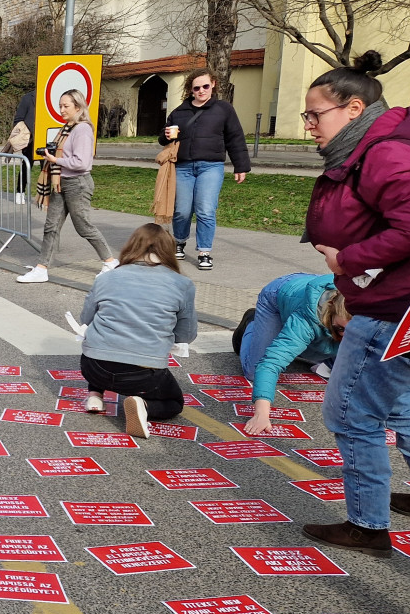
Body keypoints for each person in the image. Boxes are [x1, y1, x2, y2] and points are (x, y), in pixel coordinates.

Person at [296, 51, 410, 558]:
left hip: (390, 308)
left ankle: (367, 525)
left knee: (351, 414)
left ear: (351, 108)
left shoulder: (384, 153)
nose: (308, 128)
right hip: (397, 303)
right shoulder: (369, 147)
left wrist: (347, 259)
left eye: (314, 115)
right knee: (406, 405)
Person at [78, 223, 198, 437]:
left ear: (131, 246)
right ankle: (144, 405)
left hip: (94, 367)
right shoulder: (182, 284)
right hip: (143, 375)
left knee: (99, 339)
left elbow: (86, 319)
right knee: (175, 402)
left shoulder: (106, 277)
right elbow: (186, 335)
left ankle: (95, 395)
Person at [17, 90, 120, 283]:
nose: (61, 109)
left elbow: (82, 163)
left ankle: (110, 261)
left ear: (78, 108)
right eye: (60, 105)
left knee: (83, 226)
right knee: (51, 226)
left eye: (66, 106)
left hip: (77, 183)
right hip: (60, 182)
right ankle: (42, 268)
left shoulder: (82, 129)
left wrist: (55, 159)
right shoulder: (68, 127)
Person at [158, 69, 251, 270]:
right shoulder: (180, 112)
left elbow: (235, 137)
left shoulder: (223, 109)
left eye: (205, 86)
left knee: (206, 209)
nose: (201, 91)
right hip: (183, 167)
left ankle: (204, 252)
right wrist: (166, 135)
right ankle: (179, 241)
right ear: (191, 90)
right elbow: (162, 138)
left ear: (213, 84)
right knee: (182, 211)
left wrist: (240, 165)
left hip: (211, 166)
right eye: (196, 88)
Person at [236, 274, 346, 436]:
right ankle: (252, 323)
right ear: (331, 315)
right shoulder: (307, 321)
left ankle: (300, 343)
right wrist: (261, 414)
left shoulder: (370, 317)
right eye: (340, 329)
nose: (346, 336)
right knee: (254, 370)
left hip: (307, 293)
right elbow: (270, 363)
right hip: (277, 295)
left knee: (345, 366)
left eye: (353, 331)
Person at [12, 88, 37, 204]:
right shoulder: (28, 98)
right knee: (26, 165)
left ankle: (44, 195)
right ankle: (20, 192)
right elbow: (18, 119)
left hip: (45, 138)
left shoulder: (51, 97)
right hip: (30, 138)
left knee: (46, 168)